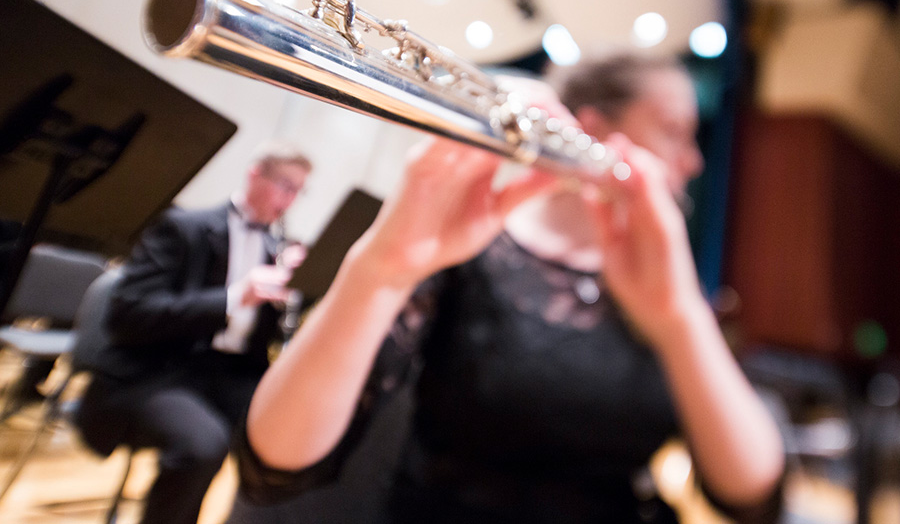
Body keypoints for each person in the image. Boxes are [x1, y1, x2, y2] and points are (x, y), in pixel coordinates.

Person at [239, 55, 785, 524]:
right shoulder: (470, 253)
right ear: (591, 131)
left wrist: (681, 319)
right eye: (674, 132)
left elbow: (752, 493)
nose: (693, 161)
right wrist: (381, 268)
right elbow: (276, 462)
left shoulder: (665, 282)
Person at [74, 140, 312, 524]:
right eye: (285, 185)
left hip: (229, 374)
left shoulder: (277, 248)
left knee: (299, 436)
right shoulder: (182, 227)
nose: (291, 198)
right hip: (156, 371)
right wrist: (236, 297)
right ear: (255, 174)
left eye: (299, 190)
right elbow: (129, 315)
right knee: (202, 446)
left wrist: (301, 287)